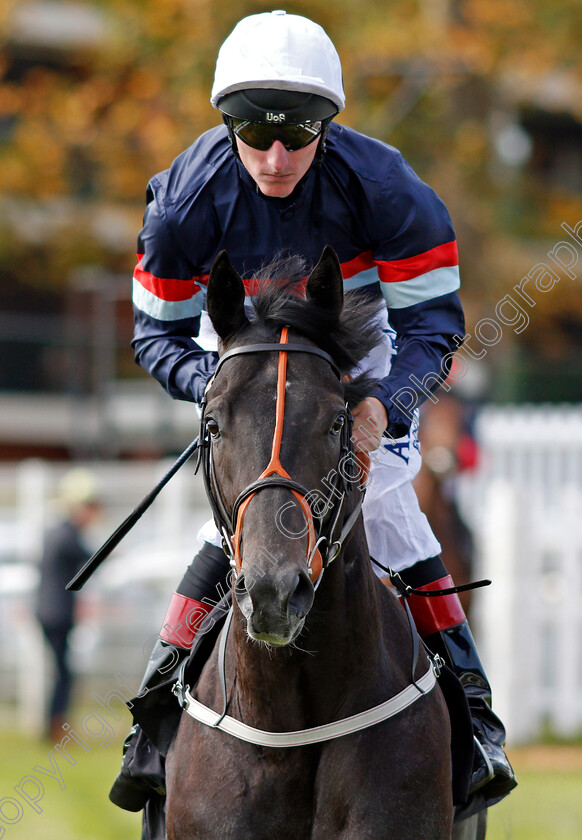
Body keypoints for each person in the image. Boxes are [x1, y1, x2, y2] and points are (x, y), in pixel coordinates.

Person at [110, 9, 515, 817]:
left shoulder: (389, 187)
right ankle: (155, 720)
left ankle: (473, 718)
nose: (274, 154)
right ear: (225, 123)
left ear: (328, 124)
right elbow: (154, 333)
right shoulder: (187, 197)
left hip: (355, 347)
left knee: (396, 512)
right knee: (229, 530)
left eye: (297, 132)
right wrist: (216, 391)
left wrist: (382, 404)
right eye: (252, 130)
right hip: (241, 357)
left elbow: (434, 324)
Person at [35, 468, 101, 741]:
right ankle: (55, 729)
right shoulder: (67, 535)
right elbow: (94, 557)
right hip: (57, 614)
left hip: (49, 613)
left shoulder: (56, 533)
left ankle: (54, 726)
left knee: (61, 673)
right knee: (64, 675)